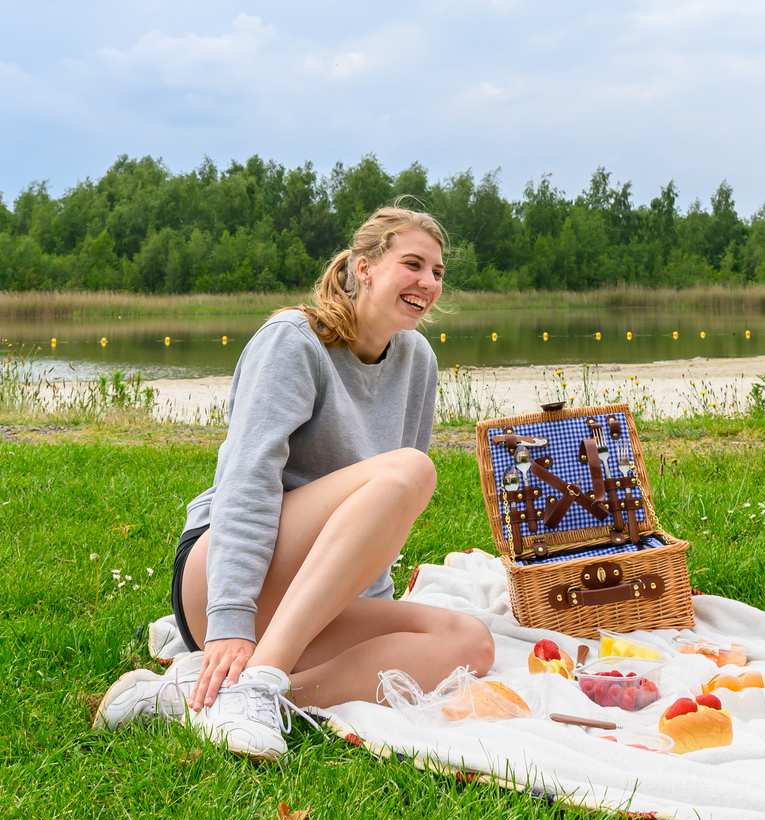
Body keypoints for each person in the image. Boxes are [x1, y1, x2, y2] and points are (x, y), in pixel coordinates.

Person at [95, 205, 495, 758]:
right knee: (410, 468)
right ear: (364, 268)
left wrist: (371, 602)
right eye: (413, 264)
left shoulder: (417, 360)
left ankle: (201, 697)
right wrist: (229, 618)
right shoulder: (294, 340)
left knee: (469, 642)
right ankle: (258, 674)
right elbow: (246, 481)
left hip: (305, 603)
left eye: (438, 272)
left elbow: (381, 516)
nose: (428, 282)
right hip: (225, 575)